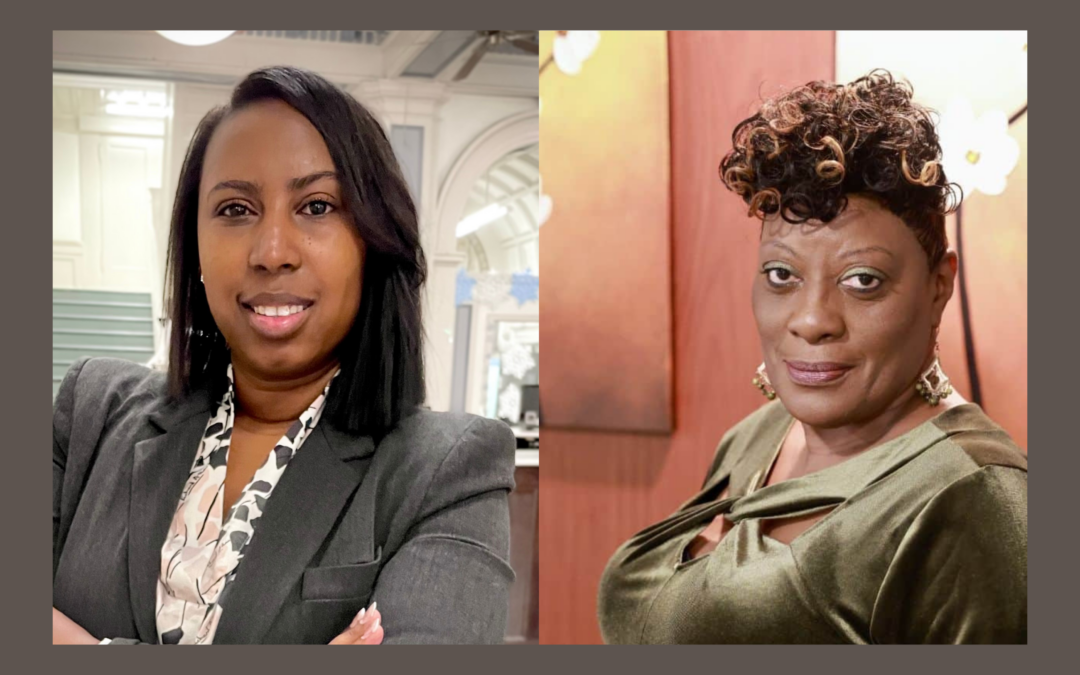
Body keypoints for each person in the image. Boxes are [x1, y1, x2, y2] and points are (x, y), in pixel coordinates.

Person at [52, 66, 517, 645]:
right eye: (235, 210)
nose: (272, 252)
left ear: (374, 241)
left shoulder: (447, 472)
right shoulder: (90, 413)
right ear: (194, 247)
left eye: (317, 207)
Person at [597, 70, 1027, 644]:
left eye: (862, 280)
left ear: (938, 287)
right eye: (781, 275)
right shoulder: (760, 433)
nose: (811, 320)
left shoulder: (978, 502)